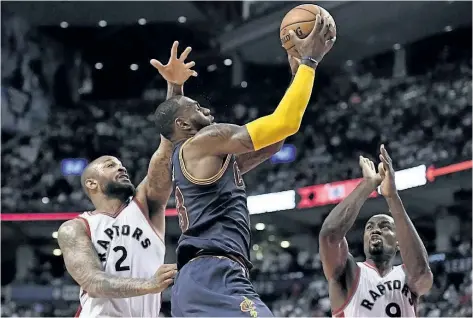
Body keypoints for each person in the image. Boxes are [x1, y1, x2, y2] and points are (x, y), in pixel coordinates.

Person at [152, 14, 336, 317]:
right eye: (198, 108)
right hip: (214, 274)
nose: (207, 109)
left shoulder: (200, 157)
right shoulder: (203, 141)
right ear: (184, 124)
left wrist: (296, 77)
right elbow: (284, 122)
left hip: (201, 279)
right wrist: (310, 63)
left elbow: (277, 138)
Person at [57, 42, 197, 317]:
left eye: (121, 165)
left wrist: (175, 88)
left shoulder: (146, 206)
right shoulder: (74, 228)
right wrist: (150, 285)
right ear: (91, 184)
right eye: (110, 165)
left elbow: (166, 152)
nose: (121, 169)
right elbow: (93, 282)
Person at [319, 145, 433, 317]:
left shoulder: (407, 276)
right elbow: (329, 237)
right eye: (369, 227)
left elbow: (422, 274)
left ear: (398, 242)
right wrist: (368, 185)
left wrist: (392, 196)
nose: (375, 230)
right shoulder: (348, 272)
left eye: (385, 227)